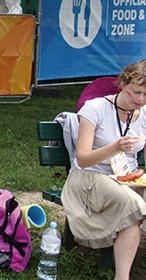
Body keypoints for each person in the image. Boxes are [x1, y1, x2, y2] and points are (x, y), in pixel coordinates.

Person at [60, 61, 146, 280]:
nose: (140, 100)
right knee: (132, 204)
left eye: (145, 95)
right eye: (136, 92)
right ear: (123, 82)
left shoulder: (143, 114)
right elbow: (83, 158)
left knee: (131, 204)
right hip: (90, 177)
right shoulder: (96, 108)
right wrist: (115, 147)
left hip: (128, 178)